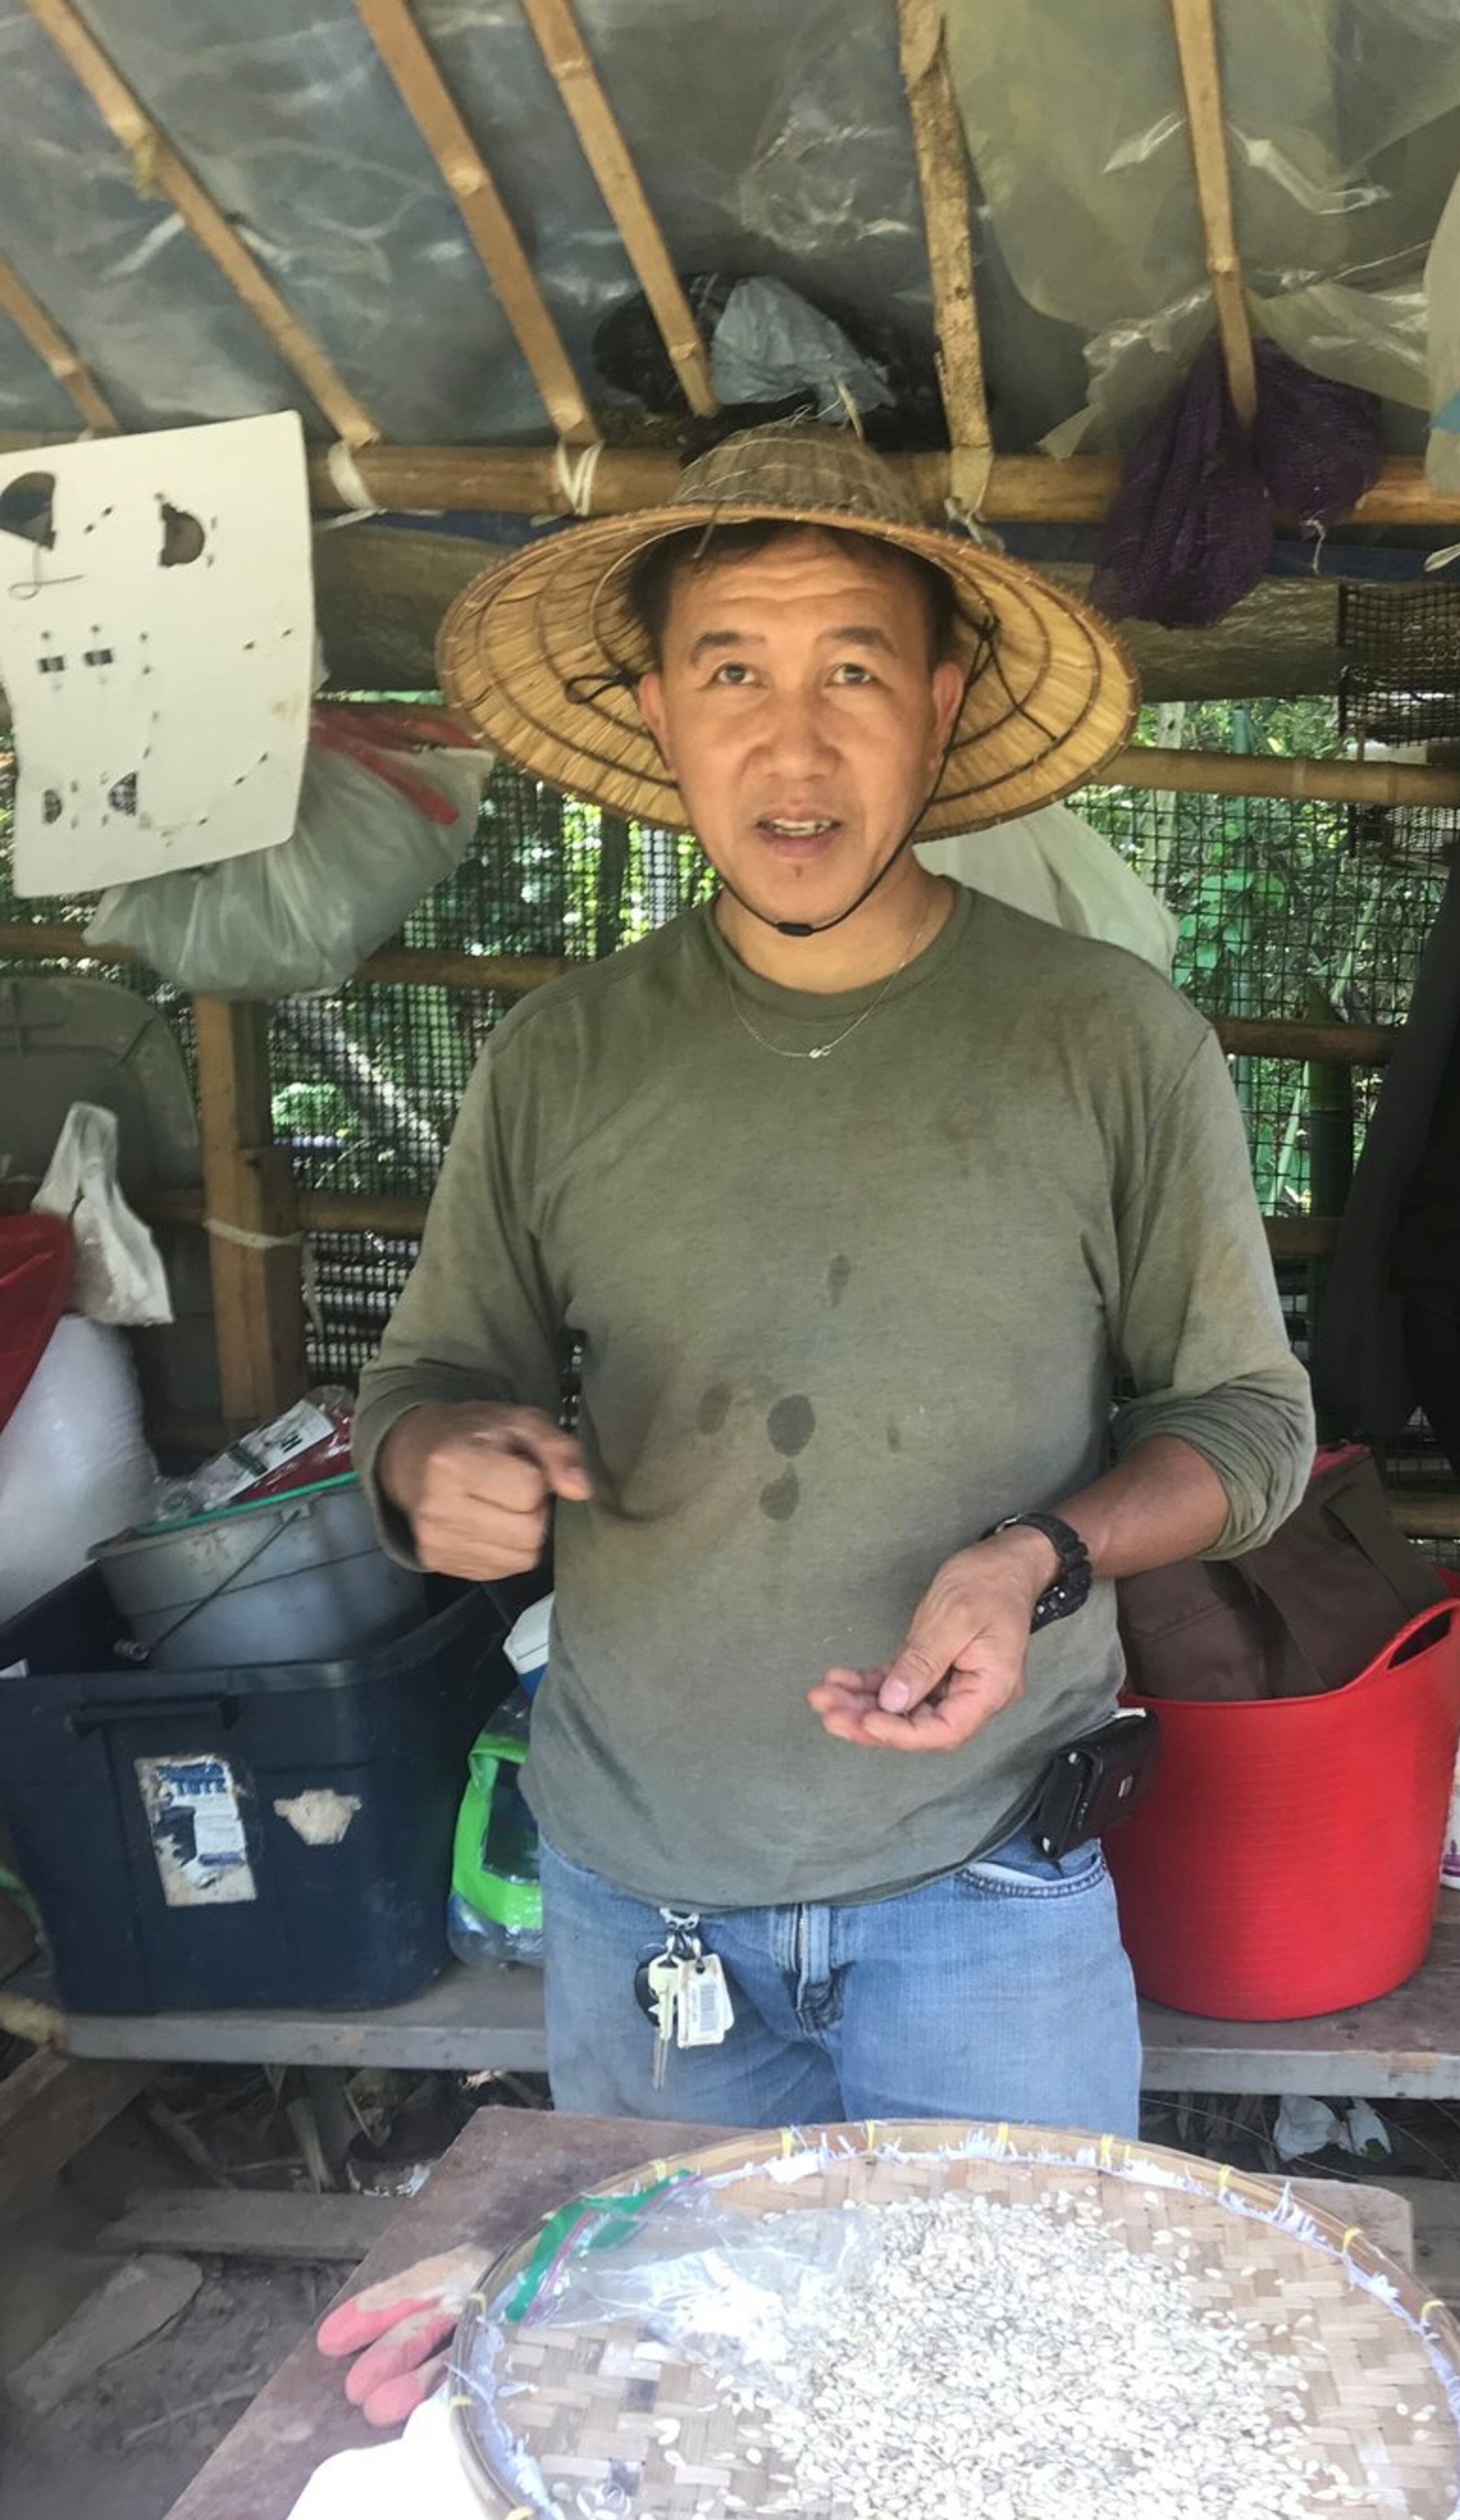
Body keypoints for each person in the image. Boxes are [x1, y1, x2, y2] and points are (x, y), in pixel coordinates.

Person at [350, 424, 1314, 2152]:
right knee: (677, 2328)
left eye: (853, 672)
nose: (793, 746)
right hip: (640, 1892)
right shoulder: (562, 1060)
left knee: (1009, 2329)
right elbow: (425, 1385)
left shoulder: (1111, 1043)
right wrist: (433, 1468)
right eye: (734, 671)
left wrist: (1041, 1555)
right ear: (659, 711)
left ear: (940, 709)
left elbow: (1248, 1427)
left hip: (988, 1885)